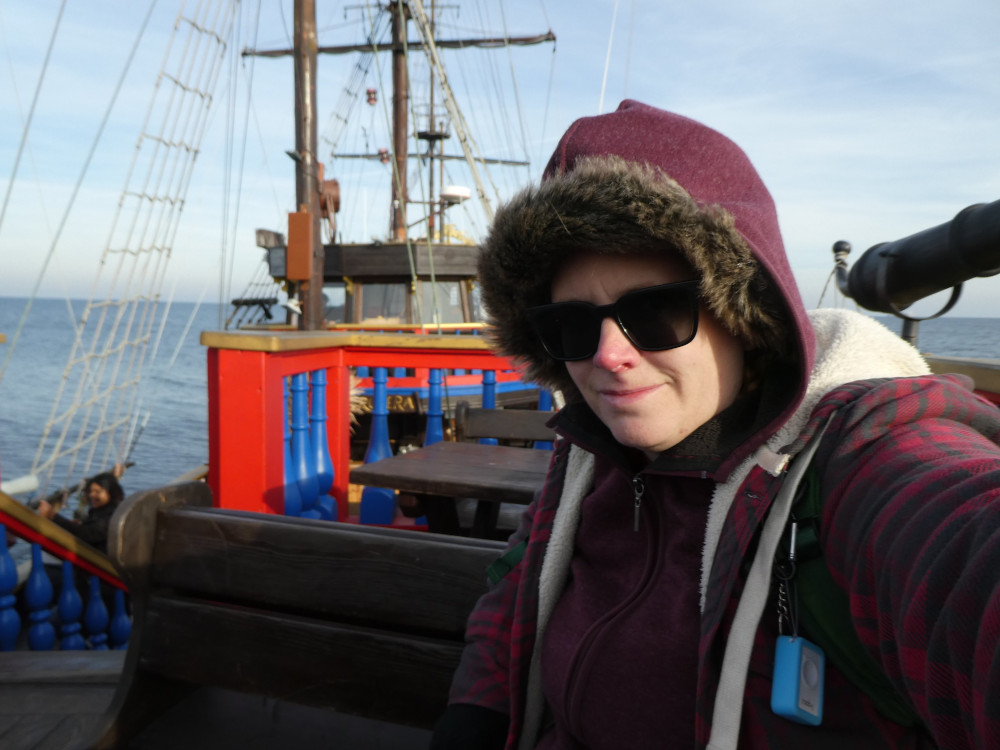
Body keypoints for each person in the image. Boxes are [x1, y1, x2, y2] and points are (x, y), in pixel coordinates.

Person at [429, 100, 1000, 749]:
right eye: (571, 326)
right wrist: (476, 712)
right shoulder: (590, 450)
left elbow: (957, 547)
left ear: (746, 315)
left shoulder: (858, 460)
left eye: (657, 312)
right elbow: (519, 586)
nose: (608, 356)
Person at [37, 468, 125, 556]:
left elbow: (85, 534)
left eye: (97, 492)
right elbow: (89, 531)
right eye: (90, 491)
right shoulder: (102, 510)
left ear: (111, 493)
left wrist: (53, 516)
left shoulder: (113, 516)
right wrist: (83, 524)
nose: (91, 495)